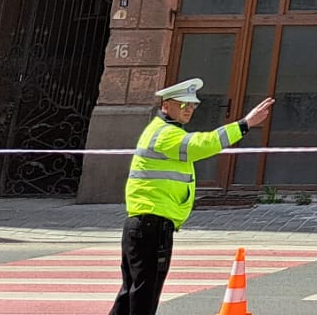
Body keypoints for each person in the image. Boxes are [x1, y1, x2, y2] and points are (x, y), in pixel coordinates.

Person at [109, 78, 274, 315]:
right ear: (166, 105)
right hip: (151, 225)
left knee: (132, 293)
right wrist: (244, 124)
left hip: (145, 225)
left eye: (193, 105)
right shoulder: (165, 134)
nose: (189, 109)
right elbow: (203, 144)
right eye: (183, 104)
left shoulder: (162, 130)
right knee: (143, 296)